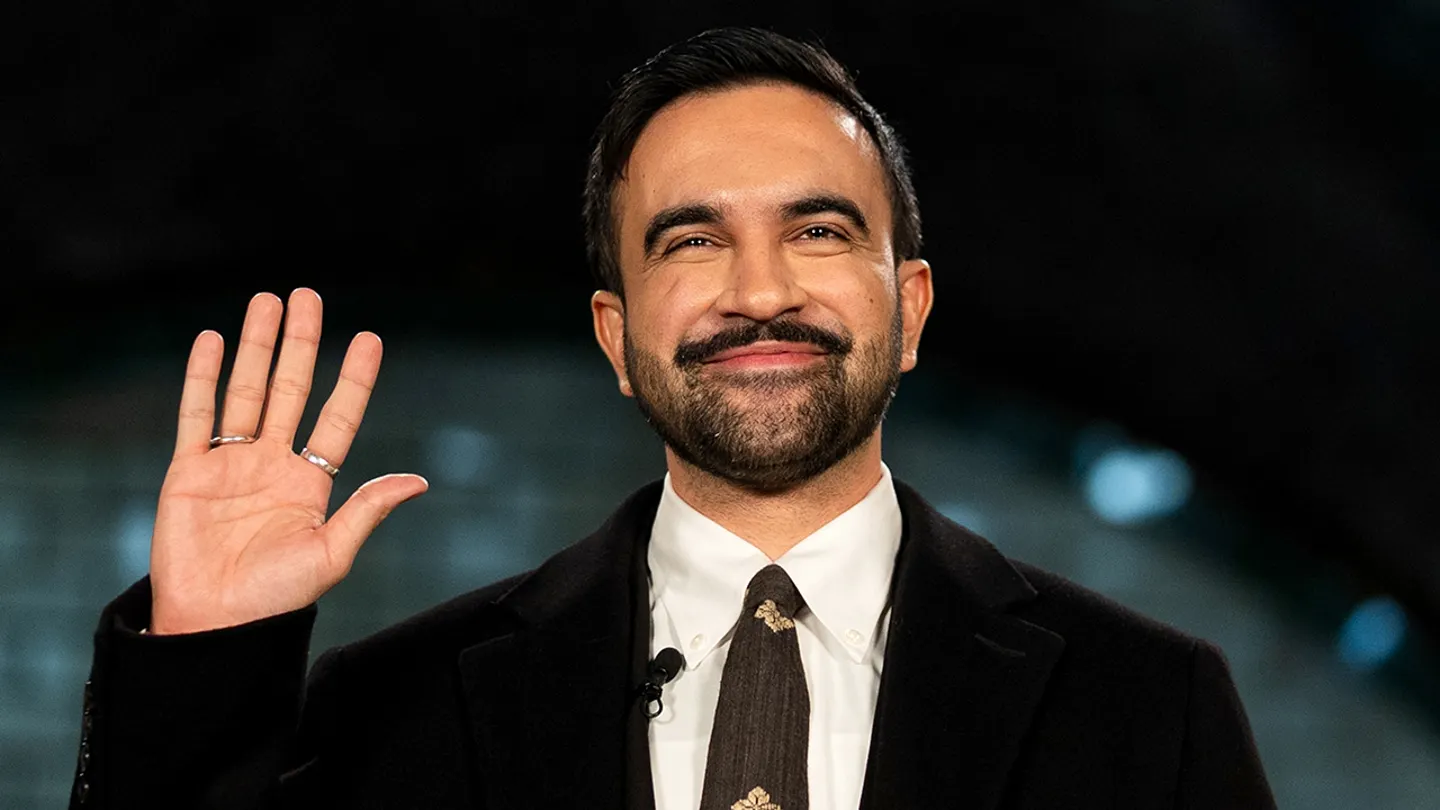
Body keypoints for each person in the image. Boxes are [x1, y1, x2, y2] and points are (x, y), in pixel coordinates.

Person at [68, 27, 1275, 810]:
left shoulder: (1148, 711)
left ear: (908, 311)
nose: (758, 292)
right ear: (617, 338)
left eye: (819, 230)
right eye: (692, 241)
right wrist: (205, 659)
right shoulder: (392, 711)